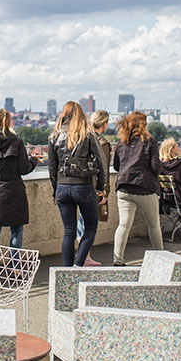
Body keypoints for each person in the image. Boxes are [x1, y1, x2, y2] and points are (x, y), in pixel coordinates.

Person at [48, 101, 107, 267]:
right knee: (90, 227)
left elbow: (52, 167)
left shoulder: (54, 136)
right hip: (83, 186)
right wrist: (101, 187)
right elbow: (102, 162)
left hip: (62, 187)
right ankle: (78, 265)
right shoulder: (87, 134)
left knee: (69, 232)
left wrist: (55, 191)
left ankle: (65, 272)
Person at [0, 108, 36, 257]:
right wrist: (34, 160)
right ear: (9, 122)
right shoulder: (17, 142)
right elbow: (24, 169)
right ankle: (14, 267)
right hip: (14, 191)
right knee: (16, 230)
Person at [112, 111, 162, 264]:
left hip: (124, 188)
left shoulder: (122, 143)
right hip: (145, 188)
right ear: (143, 125)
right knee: (154, 225)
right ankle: (162, 258)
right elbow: (155, 167)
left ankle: (118, 259)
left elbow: (116, 166)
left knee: (124, 225)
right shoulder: (150, 142)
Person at [74, 110, 111, 265]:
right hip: (93, 187)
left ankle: (80, 255)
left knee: (80, 221)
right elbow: (104, 169)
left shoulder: (81, 137)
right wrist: (105, 190)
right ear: (104, 123)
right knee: (89, 223)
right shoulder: (102, 143)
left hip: (78, 184)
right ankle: (85, 257)